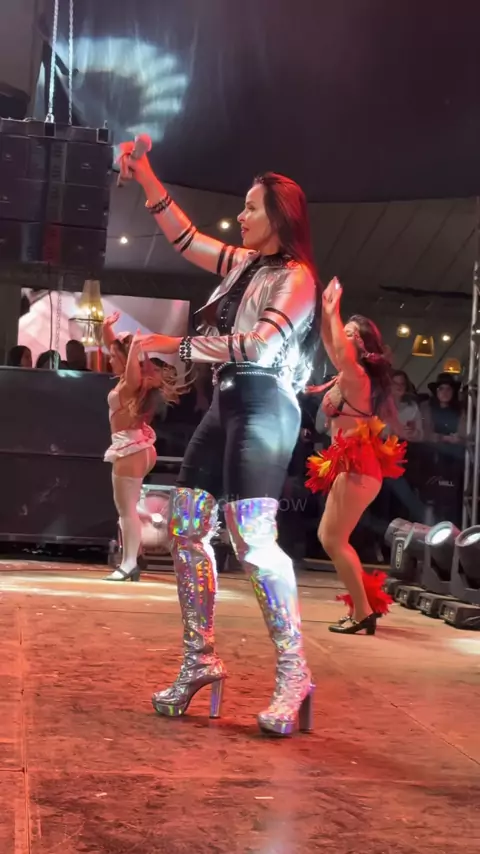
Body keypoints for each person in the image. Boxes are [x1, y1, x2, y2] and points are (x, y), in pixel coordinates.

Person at [116, 140, 321, 737]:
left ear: (279, 216)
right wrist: (145, 173)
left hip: (266, 404)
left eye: (252, 208)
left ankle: (294, 672)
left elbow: (259, 344)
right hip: (227, 402)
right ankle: (200, 658)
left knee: (252, 536)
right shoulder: (244, 265)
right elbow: (185, 238)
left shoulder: (297, 278)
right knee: (185, 524)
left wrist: (173, 345)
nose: (241, 215)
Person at [305, 278, 405, 635]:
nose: (341, 338)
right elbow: (331, 343)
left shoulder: (357, 377)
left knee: (333, 539)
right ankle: (365, 604)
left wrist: (334, 312)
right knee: (329, 536)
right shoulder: (347, 375)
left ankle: (362, 612)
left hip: (359, 466)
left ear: (362, 348)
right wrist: (326, 311)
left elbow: (340, 351)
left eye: (350, 335)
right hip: (353, 465)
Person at [102, 312, 187, 582]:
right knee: (128, 509)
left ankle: (129, 563)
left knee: (125, 512)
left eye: (114, 357)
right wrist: (107, 328)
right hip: (139, 445)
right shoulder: (128, 380)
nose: (109, 359)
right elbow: (114, 346)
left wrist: (135, 345)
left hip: (130, 448)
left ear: (126, 360)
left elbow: (125, 356)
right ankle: (133, 556)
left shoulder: (131, 383)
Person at [390, 370, 423, 441]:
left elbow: (420, 435)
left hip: (406, 445)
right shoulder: (380, 406)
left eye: (402, 384)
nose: (399, 386)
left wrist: (413, 433)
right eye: (395, 383)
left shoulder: (412, 407)